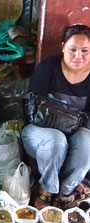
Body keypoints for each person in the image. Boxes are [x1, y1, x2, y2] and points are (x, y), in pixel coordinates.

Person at [21, 24, 90, 209]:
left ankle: (65, 192)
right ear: (62, 47)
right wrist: (71, 119)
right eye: (72, 50)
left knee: (87, 140)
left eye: (85, 51)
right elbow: (33, 110)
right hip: (40, 133)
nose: (78, 56)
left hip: (75, 135)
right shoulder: (48, 68)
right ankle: (46, 191)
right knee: (57, 139)